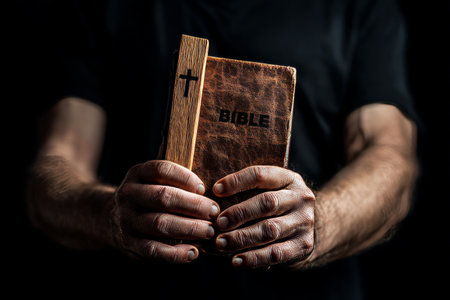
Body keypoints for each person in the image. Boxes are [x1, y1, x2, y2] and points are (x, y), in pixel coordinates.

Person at [26, 0, 418, 298]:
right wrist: (108, 214)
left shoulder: (360, 8)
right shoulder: (99, 5)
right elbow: (56, 162)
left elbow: (390, 154)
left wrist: (319, 223)